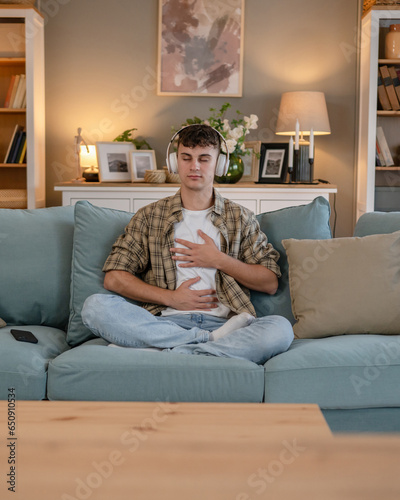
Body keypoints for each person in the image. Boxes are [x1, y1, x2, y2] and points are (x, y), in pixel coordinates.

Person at [81, 124, 293, 364]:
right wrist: (171, 298)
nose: (194, 166)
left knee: (281, 328)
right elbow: (114, 278)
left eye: (204, 159)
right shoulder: (150, 216)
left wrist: (219, 260)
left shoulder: (240, 217)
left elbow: (270, 283)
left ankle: (165, 348)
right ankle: (206, 342)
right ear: (175, 163)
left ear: (219, 165)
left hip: (227, 324)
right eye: (186, 158)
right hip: (162, 322)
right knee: (94, 307)